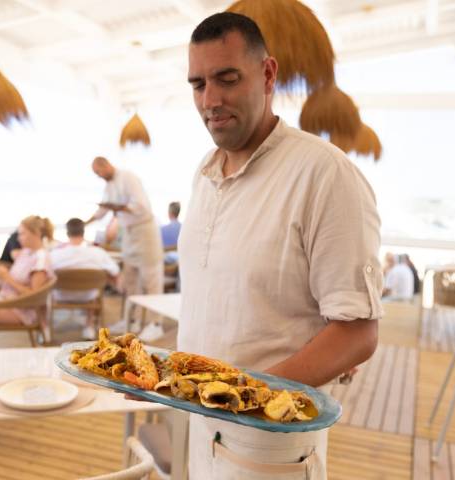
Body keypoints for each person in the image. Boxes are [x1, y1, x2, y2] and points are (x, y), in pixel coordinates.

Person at [179, 13, 382, 479]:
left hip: (271, 449)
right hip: (199, 427)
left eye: (227, 79)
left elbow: (357, 332)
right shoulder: (205, 174)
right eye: (197, 84)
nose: (210, 100)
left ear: (268, 74)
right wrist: (166, 380)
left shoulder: (324, 174)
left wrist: (241, 394)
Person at [86, 157, 164, 341]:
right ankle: (132, 320)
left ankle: (156, 324)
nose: (99, 176)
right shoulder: (109, 185)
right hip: (129, 234)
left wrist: (120, 207)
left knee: (151, 280)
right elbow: (102, 211)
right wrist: (85, 222)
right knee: (130, 281)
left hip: (145, 231)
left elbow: (141, 206)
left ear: (106, 165)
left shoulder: (128, 177)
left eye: (99, 172)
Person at [50, 218, 120, 339]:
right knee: (94, 292)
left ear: (67, 233)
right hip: (88, 296)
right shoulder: (98, 253)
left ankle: (47, 329)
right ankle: (89, 326)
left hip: (61, 295)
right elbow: (115, 271)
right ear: (83, 232)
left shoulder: (55, 255)